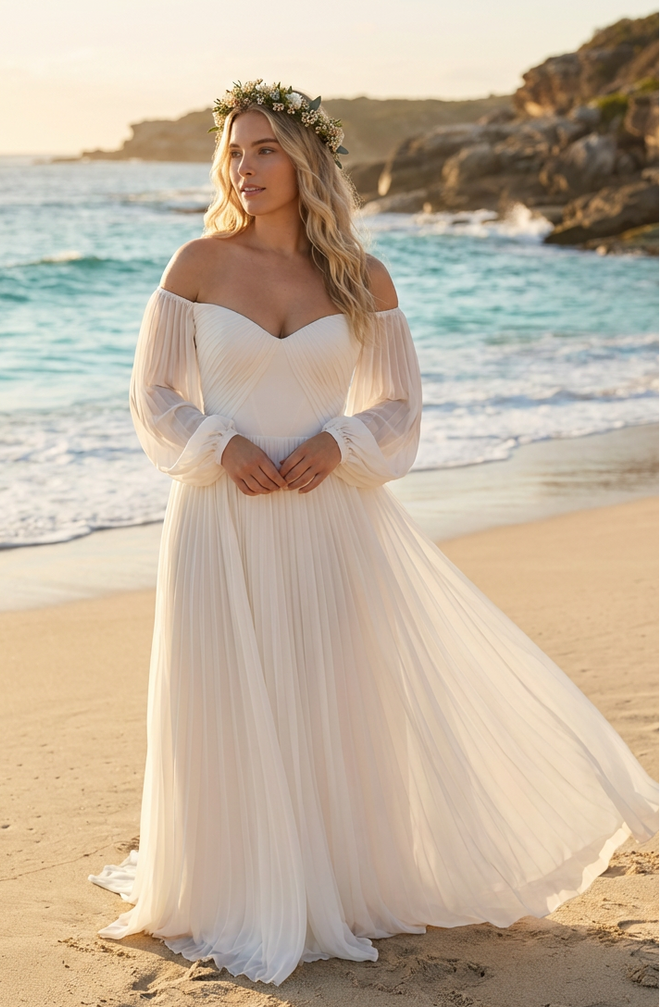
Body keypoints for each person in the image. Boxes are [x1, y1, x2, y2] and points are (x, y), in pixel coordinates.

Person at [89, 81, 660, 986]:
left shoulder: (362, 276)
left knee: (330, 694)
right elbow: (151, 396)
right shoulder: (195, 263)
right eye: (235, 151)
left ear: (308, 160)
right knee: (225, 691)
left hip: (330, 517)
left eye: (266, 149)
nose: (247, 168)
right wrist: (219, 441)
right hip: (220, 515)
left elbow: (397, 406)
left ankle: (336, 879)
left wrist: (339, 440)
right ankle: (233, 882)